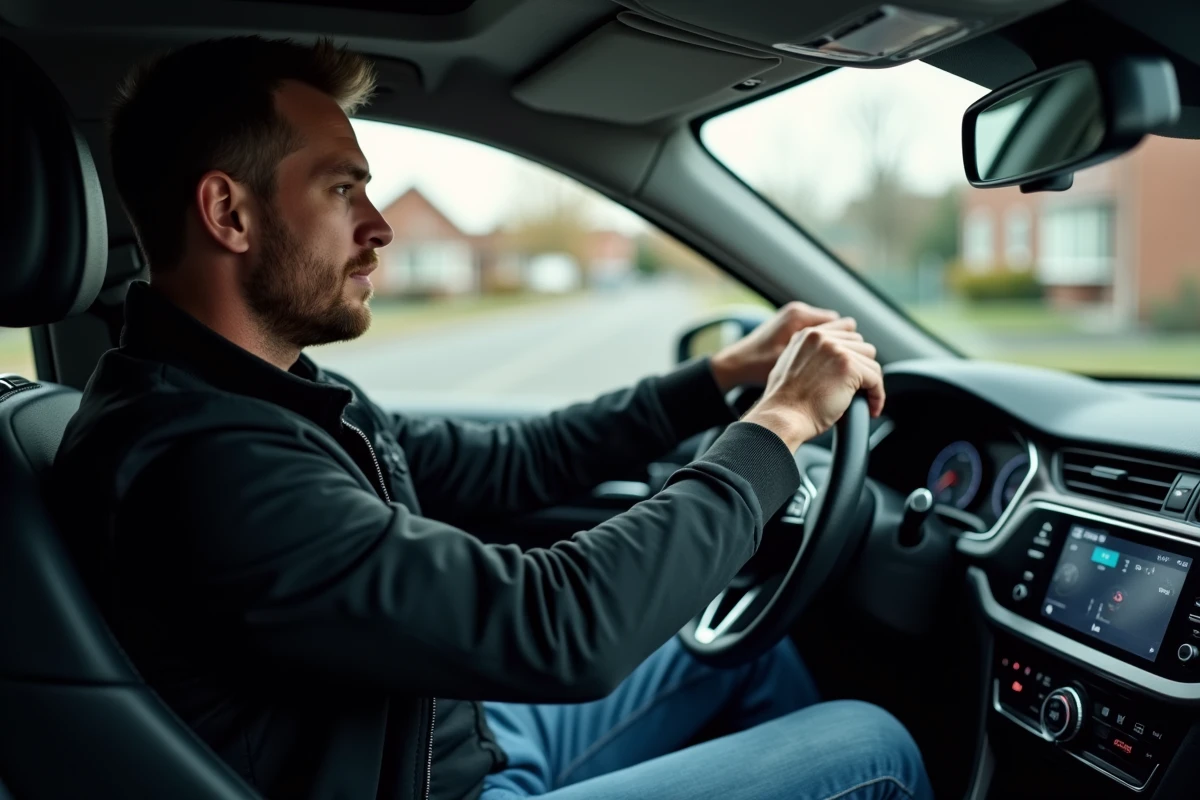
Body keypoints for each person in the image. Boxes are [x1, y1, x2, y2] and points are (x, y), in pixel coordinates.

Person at [54, 36, 933, 800]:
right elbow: (559, 628)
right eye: (342, 189)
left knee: (735, 649)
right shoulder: (205, 460)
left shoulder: (268, 397)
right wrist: (776, 427)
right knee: (875, 747)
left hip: (434, 748)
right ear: (228, 213)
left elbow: (508, 464)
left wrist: (720, 379)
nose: (380, 225)